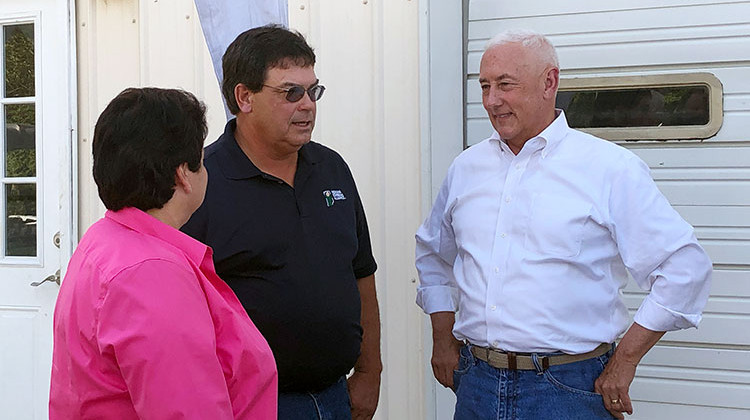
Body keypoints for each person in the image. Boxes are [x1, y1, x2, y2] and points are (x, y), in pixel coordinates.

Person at [415, 29, 712, 420]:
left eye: (505, 85)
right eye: (485, 86)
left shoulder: (608, 169)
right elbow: (434, 256)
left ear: (549, 82)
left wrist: (624, 361)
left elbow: (684, 269)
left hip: (569, 390)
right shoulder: (466, 169)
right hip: (476, 384)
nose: (491, 101)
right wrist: (442, 340)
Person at [181, 25, 381, 420]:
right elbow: (179, 310)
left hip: (335, 397)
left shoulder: (331, 168)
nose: (307, 105)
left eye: (313, 90)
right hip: (249, 404)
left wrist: (370, 371)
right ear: (244, 97)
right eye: (291, 92)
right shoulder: (201, 182)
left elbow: (361, 274)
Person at [49, 88, 277, 419]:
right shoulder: (151, 273)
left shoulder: (106, 239)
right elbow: (187, 409)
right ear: (182, 174)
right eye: (201, 160)